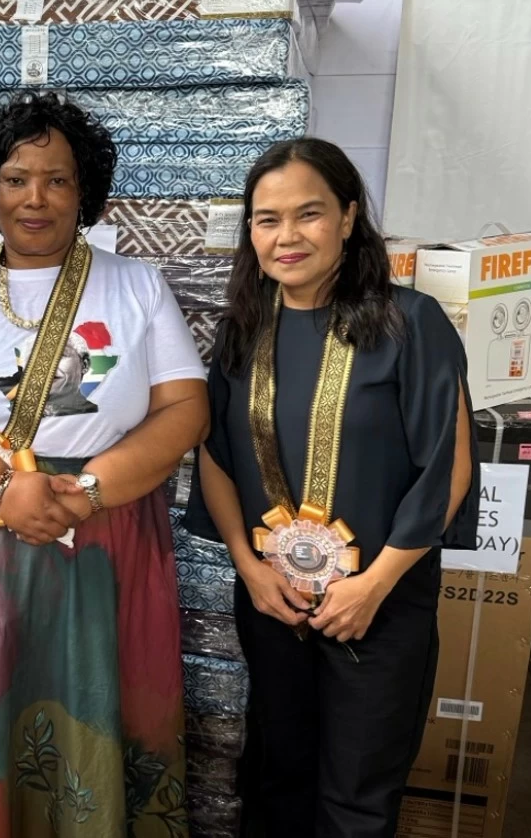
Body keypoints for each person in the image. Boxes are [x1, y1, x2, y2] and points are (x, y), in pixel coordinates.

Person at [0, 92, 209, 836]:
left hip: (99, 540)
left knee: (84, 715)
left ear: (85, 192)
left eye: (57, 179)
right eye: (17, 178)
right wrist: (1, 490)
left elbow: (186, 409)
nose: (35, 198)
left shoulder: (136, 285)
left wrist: (86, 489)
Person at [185, 138, 479, 838]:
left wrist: (372, 586)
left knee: (356, 798)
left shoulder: (412, 324)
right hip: (273, 602)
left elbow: (450, 467)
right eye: (266, 219)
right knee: (276, 779)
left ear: (348, 217)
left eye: (308, 214)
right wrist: (247, 567)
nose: (286, 236)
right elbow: (216, 458)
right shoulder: (240, 333)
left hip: (379, 606)